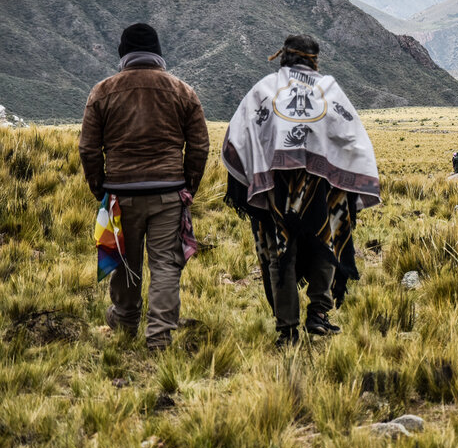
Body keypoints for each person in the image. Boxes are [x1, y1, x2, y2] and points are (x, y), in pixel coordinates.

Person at [222, 35, 380, 346]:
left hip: (274, 186)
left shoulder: (265, 90)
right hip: (324, 186)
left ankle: (287, 330)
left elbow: (238, 137)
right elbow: (352, 138)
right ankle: (318, 314)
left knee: (281, 251)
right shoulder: (329, 90)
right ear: (314, 59)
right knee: (326, 242)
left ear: (283, 57)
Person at [79, 23, 209, 351]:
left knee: (124, 259)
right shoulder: (183, 91)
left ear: (124, 54)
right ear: (158, 54)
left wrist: (100, 188)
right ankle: (160, 337)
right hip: (168, 193)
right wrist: (188, 187)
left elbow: (88, 148)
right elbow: (199, 146)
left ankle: (124, 321)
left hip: (120, 195)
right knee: (165, 263)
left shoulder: (102, 91)